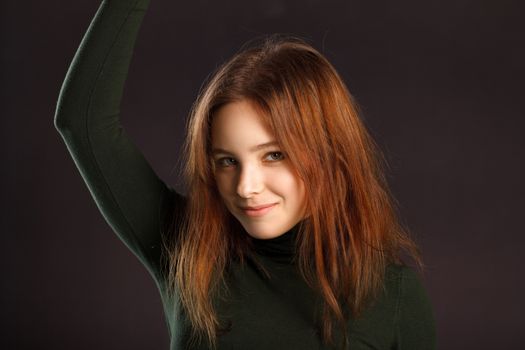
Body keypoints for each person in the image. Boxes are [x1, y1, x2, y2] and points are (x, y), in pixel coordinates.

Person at [54, 0, 437, 349]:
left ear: (331, 152)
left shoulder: (393, 295)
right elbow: (82, 122)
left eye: (273, 155)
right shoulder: (189, 248)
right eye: (226, 161)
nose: (246, 187)